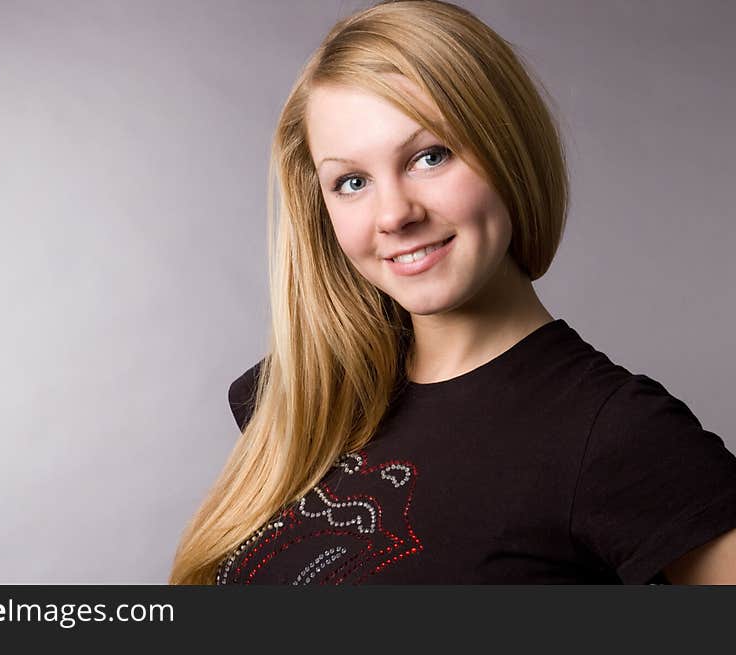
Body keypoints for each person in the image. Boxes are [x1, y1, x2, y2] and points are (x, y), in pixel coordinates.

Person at [168, 0, 736, 585]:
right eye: (352, 182)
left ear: (508, 151)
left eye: (429, 157)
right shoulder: (308, 396)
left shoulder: (619, 436)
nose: (393, 214)